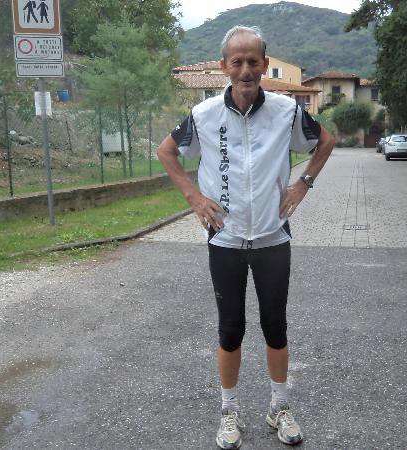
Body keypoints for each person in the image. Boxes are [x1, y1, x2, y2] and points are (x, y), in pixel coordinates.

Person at [156, 25, 335, 449]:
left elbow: (325, 142)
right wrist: (194, 197)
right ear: (224, 67)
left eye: (253, 61)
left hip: (273, 236)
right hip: (226, 238)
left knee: (275, 325)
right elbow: (166, 151)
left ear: (264, 64)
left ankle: (279, 407)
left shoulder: (286, 111)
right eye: (237, 62)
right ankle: (229, 411)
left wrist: (303, 184)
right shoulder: (204, 115)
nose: (245, 70)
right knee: (230, 328)